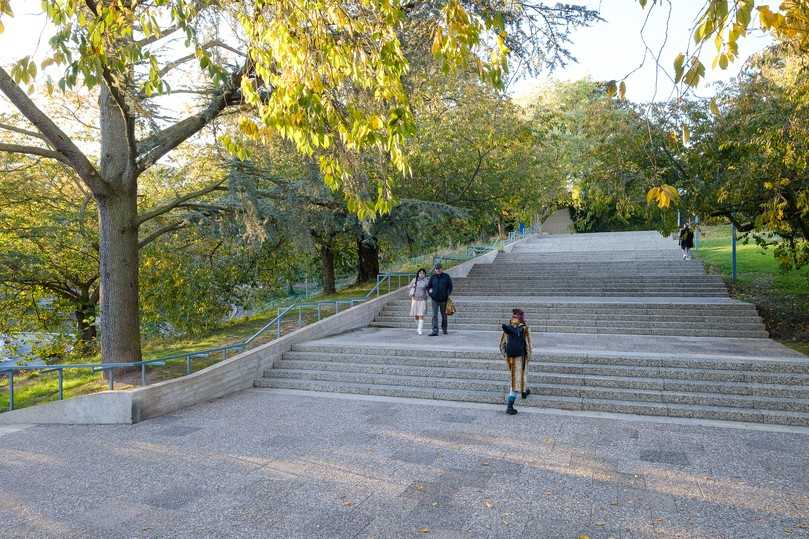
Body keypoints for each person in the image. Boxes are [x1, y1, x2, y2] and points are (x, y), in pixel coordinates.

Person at [500, 308, 532, 415]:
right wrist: (528, 357)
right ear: (521, 317)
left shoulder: (508, 327)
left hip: (510, 358)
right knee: (516, 381)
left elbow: (501, 345)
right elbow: (528, 345)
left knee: (519, 376)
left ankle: (524, 391)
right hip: (520, 357)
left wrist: (507, 356)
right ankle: (510, 406)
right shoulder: (524, 328)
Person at [427, 263, 453, 336]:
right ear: (435, 270)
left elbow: (450, 287)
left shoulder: (446, 276)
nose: (438, 270)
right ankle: (435, 331)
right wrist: (431, 294)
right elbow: (428, 287)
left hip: (444, 300)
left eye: (439, 268)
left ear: (442, 269)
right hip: (434, 300)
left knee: (444, 315)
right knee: (434, 315)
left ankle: (444, 329)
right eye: (436, 269)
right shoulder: (433, 277)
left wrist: (447, 294)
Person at [408, 268, 430, 335]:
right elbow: (409, 286)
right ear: (418, 273)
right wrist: (412, 286)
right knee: (416, 316)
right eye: (420, 273)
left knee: (421, 315)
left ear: (425, 274)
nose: (421, 274)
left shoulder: (426, 280)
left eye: (423, 273)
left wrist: (430, 290)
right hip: (415, 299)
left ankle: (420, 329)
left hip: (423, 300)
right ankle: (418, 327)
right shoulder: (414, 279)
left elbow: (429, 288)